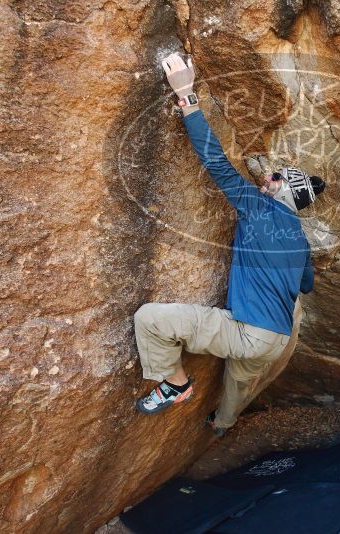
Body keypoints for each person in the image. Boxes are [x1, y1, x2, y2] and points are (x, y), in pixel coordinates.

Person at [132, 52, 326, 436]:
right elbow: (307, 285)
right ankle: (222, 425)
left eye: (274, 177)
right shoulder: (300, 242)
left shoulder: (259, 207)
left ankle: (176, 385)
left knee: (149, 319)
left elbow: (217, 163)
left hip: (248, 333)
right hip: (276, 339)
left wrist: (186, 96)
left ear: (285, 191)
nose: (265, 177)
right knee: (238, 383)